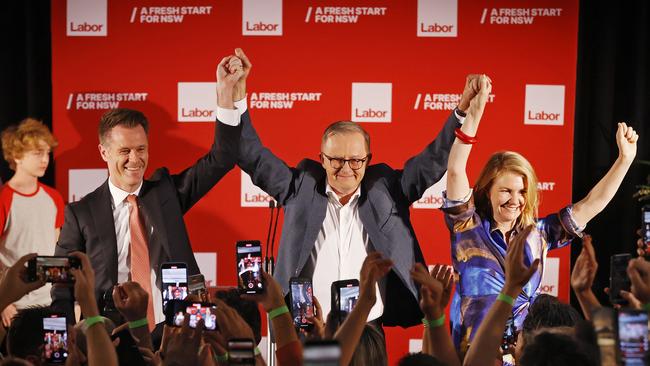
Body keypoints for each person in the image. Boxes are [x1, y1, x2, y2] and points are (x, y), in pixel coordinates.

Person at [219, 48, 470, 326]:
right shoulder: (300, 186)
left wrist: (462, 112)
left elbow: (434, 160)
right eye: (336, 160)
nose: (346, 169)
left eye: (355, 160)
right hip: (309, 328)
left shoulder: (386, 188)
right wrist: (236, 95)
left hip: (368, 328)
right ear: (322, 159)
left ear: (368, 159)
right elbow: (251, 155)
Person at [442, 74, 639, 353]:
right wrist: (474, 114)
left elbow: (590, 205)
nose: (516, 200)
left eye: (522, 192)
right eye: (506, 191)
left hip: (526, 353)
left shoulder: (539, 234)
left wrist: (624, 161)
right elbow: (455, 170)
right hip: (473, 353)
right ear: (486, 190)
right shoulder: (467, 227)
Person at [52, 60, 244, 331]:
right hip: (110, 336)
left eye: (141, 149)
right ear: (104, 152)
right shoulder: (81, 213)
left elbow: (222, 158)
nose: (135, 159)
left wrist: (225, 94)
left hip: (174, 330)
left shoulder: (165, 194)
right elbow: (62, 287)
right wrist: (68, 340)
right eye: (125, 151)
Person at [0, 118, 64, 327]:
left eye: (47, 153)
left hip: (51, 304)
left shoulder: (53, 197)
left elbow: (57, 250)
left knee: (57, 358)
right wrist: (4, 302)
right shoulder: (4, 199)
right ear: (17, 155)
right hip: (15, 309)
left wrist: (67, 297)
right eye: (37, 153)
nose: (45, 159)